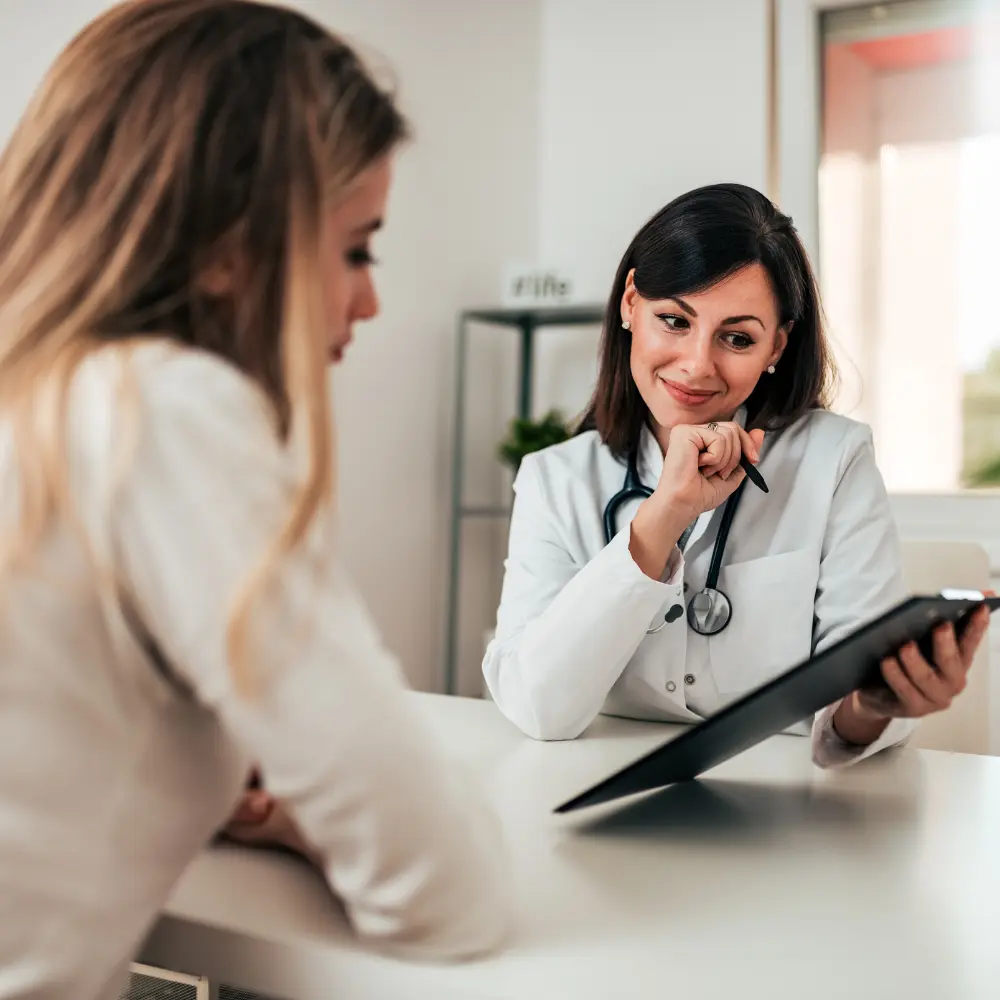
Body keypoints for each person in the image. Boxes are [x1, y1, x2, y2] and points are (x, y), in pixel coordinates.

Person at [0, 1, 508, 995]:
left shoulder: (39, 399)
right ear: (230, 246)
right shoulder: (158, 410)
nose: (370, 300)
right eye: (357, 248)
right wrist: (309, 817)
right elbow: (444, 887)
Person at [482, 183, 989, 763]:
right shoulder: (554, 480)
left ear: (777, 346)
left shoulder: (834, 459)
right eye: (674, 320)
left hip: (788, 796)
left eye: (738, 338)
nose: (697, 365)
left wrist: (875, 704)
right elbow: (537, 708)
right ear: (630, 304)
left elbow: (850, 698)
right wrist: (662, 516)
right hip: (598, 784)